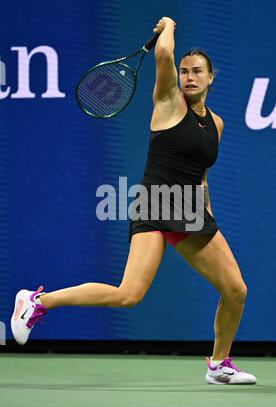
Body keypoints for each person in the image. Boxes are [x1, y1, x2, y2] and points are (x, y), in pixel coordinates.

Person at [11, 17, 257, 385]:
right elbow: (163, 54)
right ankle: (36, 302)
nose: (189, 77)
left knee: (235, 290)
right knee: (129, 294)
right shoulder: (168, 100)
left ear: (211, 78)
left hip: (189, 208)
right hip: (156, 201)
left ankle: (218, 364)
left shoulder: (216, 125)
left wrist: (206, 211)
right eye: (185, 70)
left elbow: (201, 174)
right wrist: (169, 26)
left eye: (197, 72)